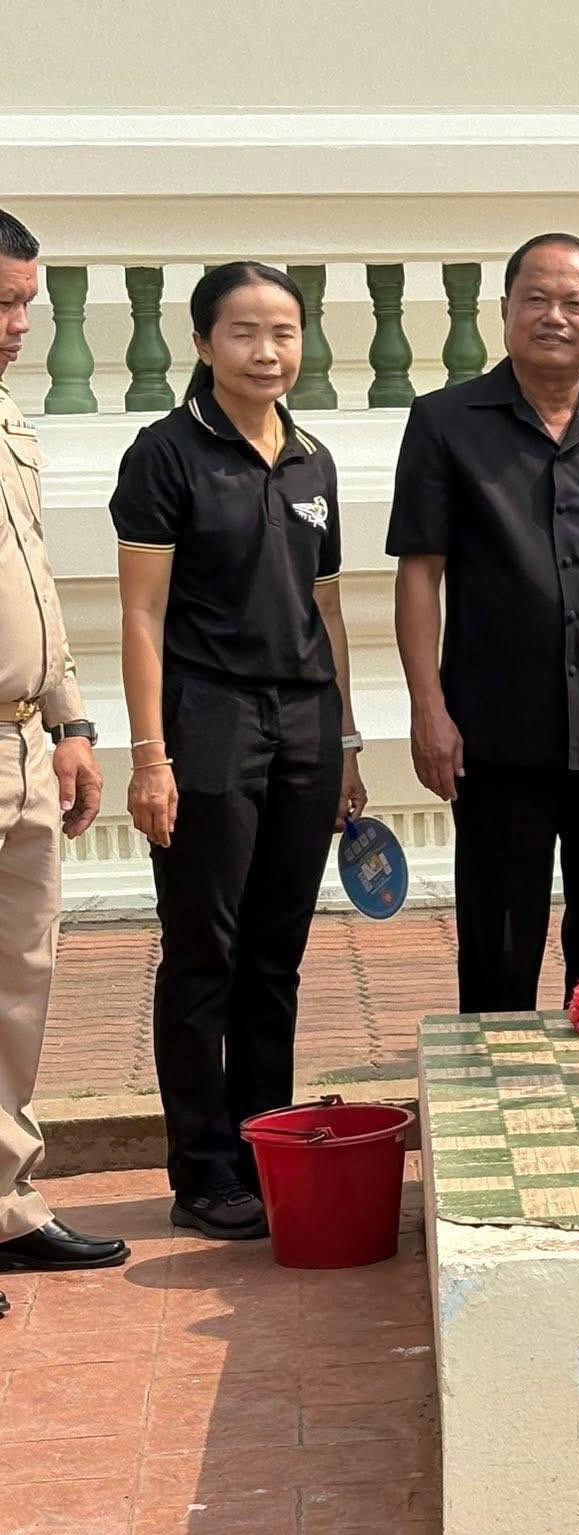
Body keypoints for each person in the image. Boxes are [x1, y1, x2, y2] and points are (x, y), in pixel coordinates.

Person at [112, 262, 367, 1239]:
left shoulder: (313, 460)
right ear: (204, 342)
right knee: (204, 951)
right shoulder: (167, 454)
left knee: (277, 954)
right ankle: (203, 1170)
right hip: (208, 716)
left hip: (305, 722)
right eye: (245, 332)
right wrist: (149, 754)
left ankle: (264, 1146)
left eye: (286, 332)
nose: (268, 351)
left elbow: (328, 605)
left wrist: (346, 738)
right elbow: (141, 614)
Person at [389, 234, 579, 1015]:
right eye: (536, 299)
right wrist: (428, 711)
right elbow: (420, 576)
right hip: (492, 738)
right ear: (504, 311)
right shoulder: (445, 424)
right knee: (497, 948)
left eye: (574, 303)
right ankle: (498, 1107)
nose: (553, 317)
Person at [0, 209, 126, 1278]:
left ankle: (6, 1204)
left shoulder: (10, 424)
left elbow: (36, 581)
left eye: (26, 306)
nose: (17, 326)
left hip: (22, 748)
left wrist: (73, 722)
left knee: (17, 986)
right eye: (0, 303)